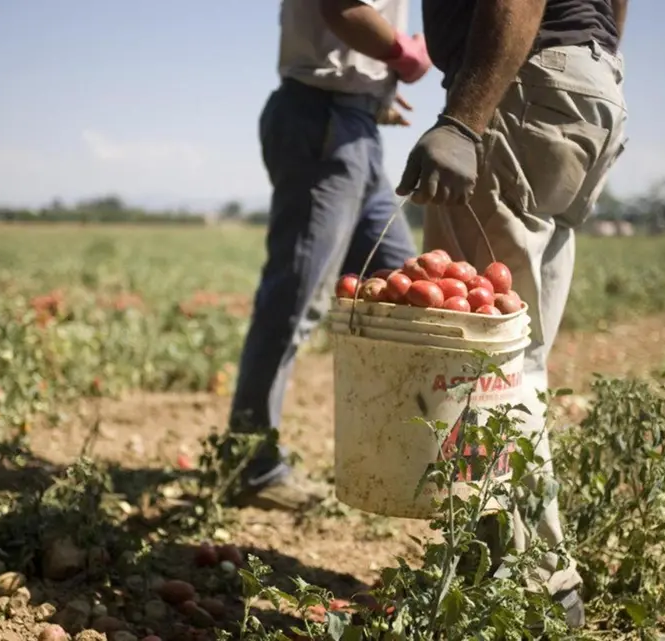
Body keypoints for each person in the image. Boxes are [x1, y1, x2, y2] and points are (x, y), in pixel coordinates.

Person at [395, 0, 630, 629]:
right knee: (518, 357)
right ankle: (507, 567)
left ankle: (533, 587)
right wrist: (593, 59)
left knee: (484, 361)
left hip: (520, 84)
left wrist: (464, 121)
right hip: (587, 87)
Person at [227, 0, 434, 511]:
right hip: (322, 119)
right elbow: (342, 8)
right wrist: (404, 55)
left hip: (352, 122)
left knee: (403, 291)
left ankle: (395, 456)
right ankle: (252, 465)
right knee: (295, 300)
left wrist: (373, 93)